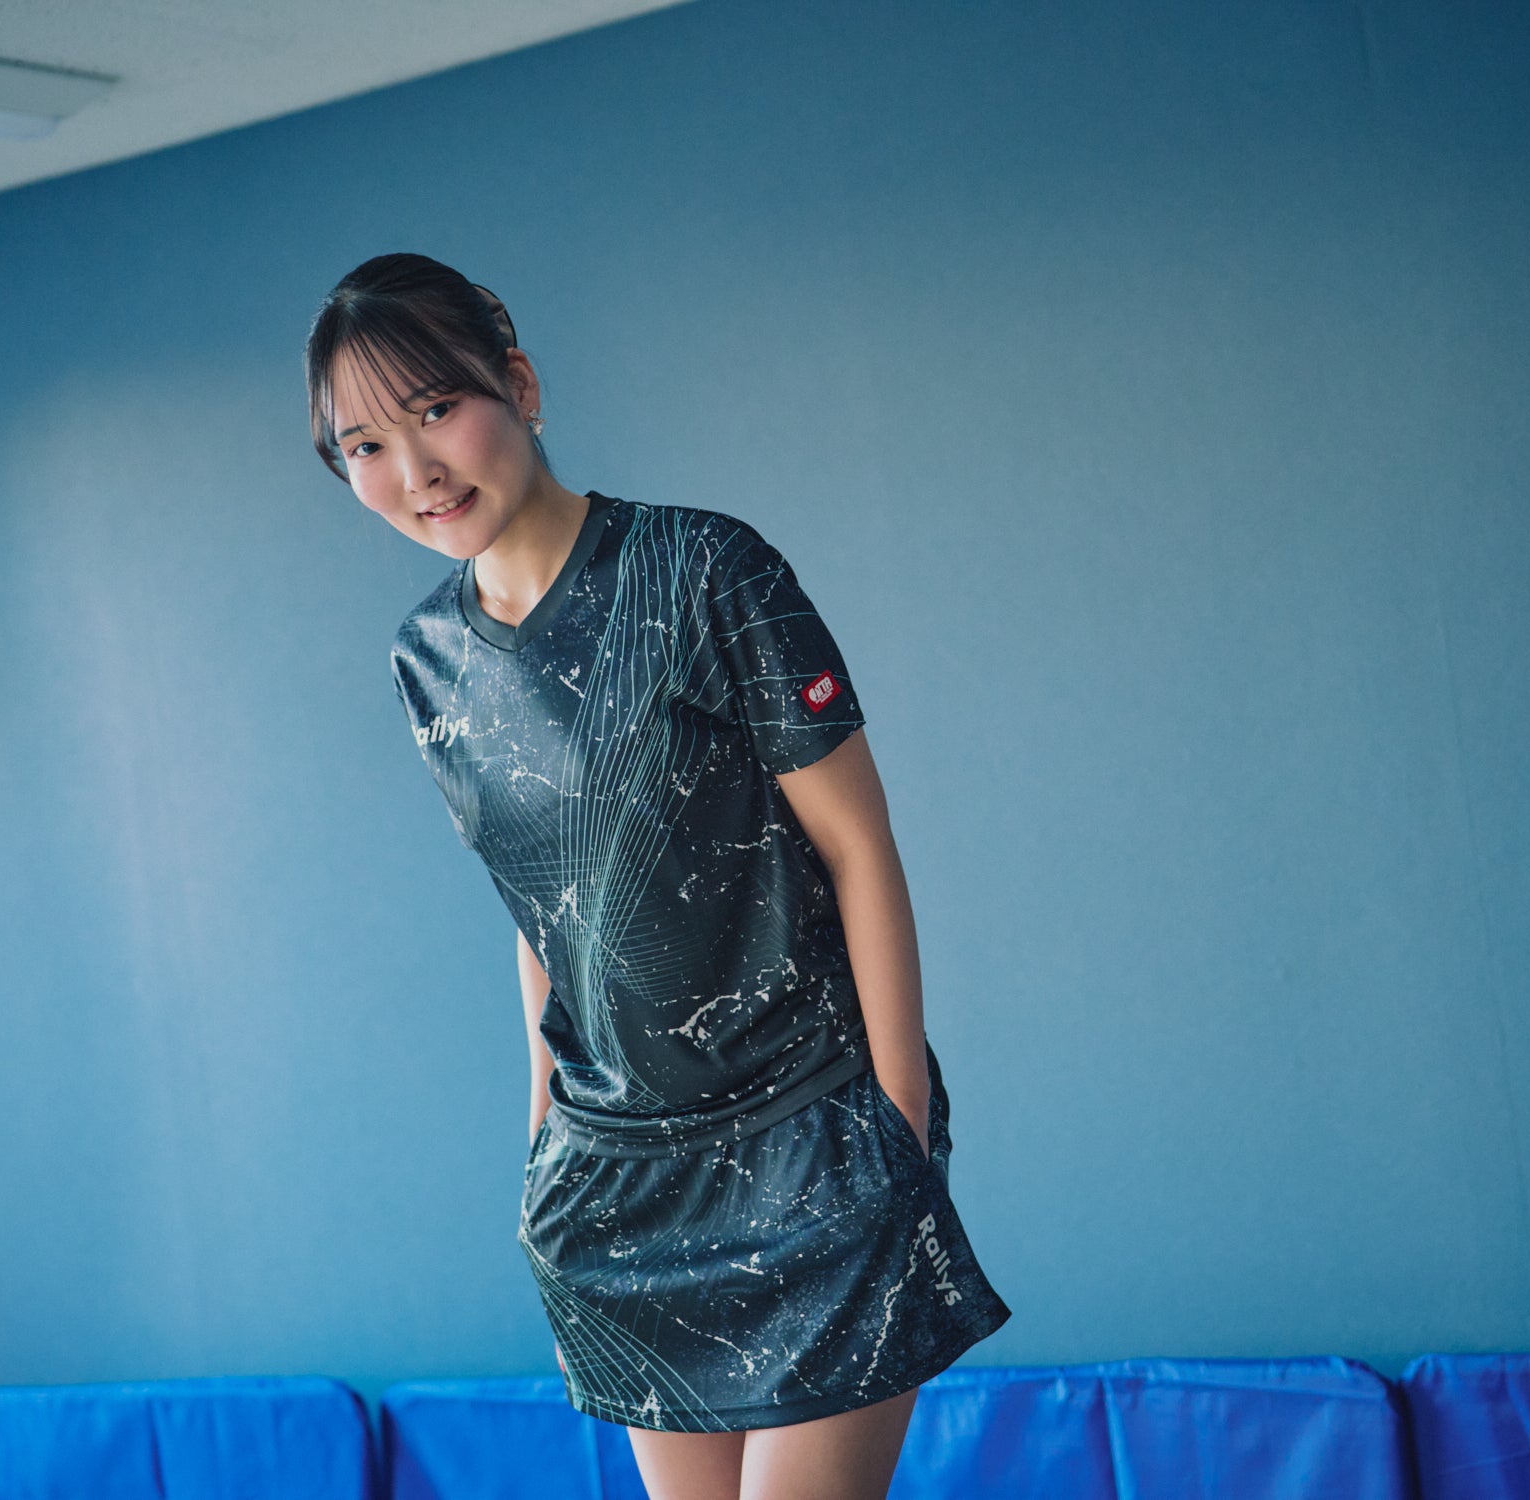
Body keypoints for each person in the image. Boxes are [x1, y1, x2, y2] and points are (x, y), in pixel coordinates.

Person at [303, 253, 1010, 1500]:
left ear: (519, 385)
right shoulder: (425, 660)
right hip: (617, 1186)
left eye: (435, 408)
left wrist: (898, 1121)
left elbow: (858, 844)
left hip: (816, 1137)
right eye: (363, 445)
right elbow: (543, 908)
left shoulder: (705, 570)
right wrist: (540, 1151)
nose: (414, 471)